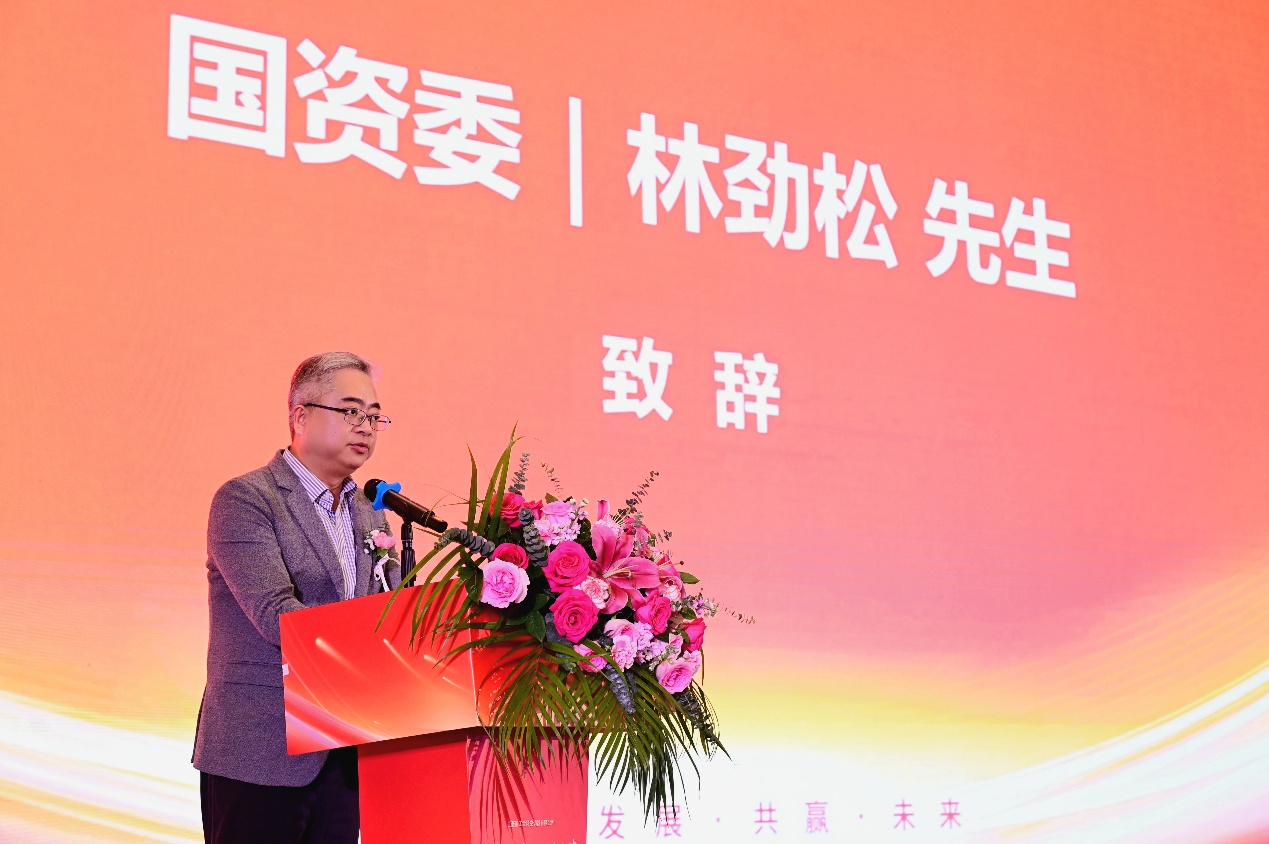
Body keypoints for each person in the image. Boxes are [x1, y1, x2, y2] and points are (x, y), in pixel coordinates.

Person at [193, 352, 400, 844]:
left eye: (374, 416)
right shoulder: (247, 499)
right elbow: (276, 616)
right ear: (300, 416)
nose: (365, 426)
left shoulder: (372, 513)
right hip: (261, 751)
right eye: (350, 411)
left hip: (343, 750)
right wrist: (370, 642)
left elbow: (388, 609)